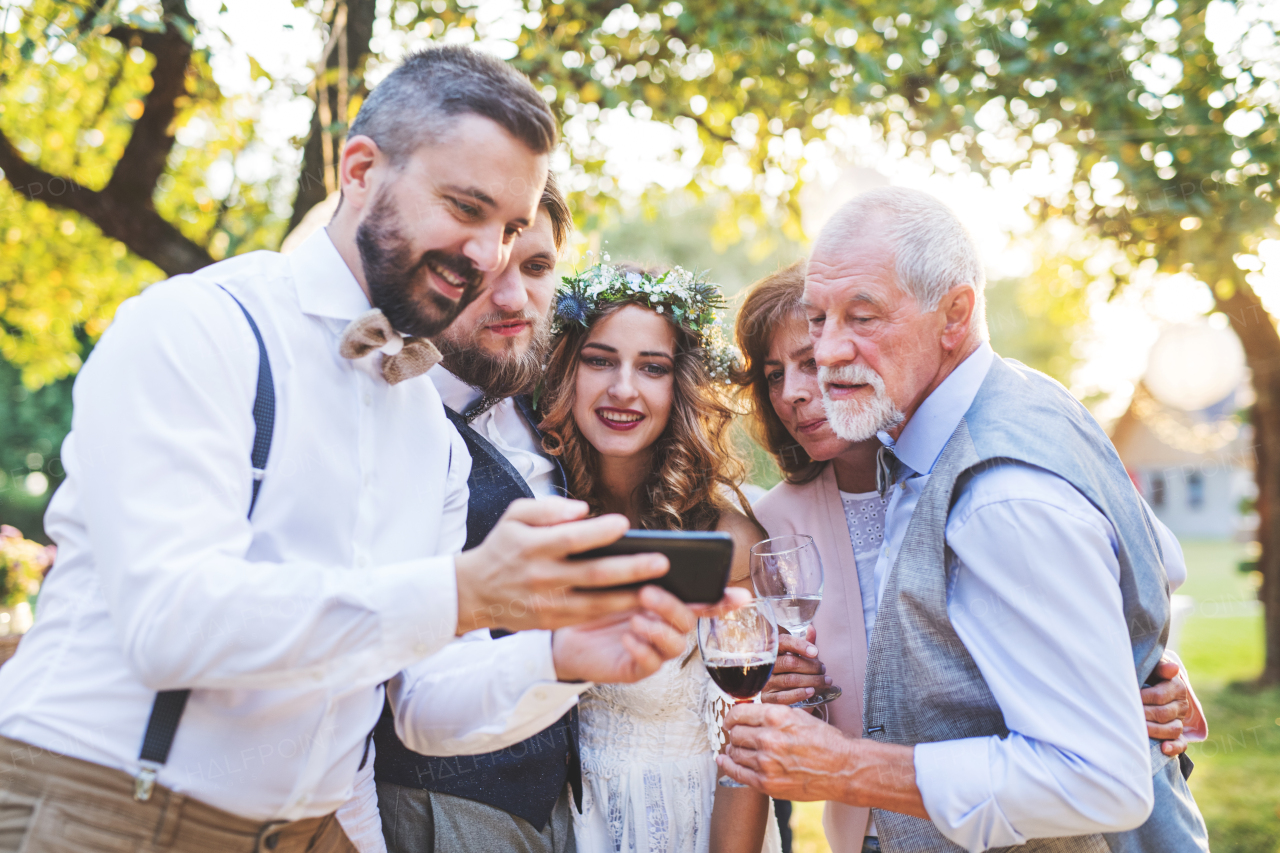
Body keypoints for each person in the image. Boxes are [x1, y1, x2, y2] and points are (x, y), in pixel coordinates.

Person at [0, 47, 714, 853]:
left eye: (512, 228)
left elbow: (422, 702)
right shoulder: (196, 326)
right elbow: (172, 622)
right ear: (361, 168)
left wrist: (561, 658)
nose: (489, 257)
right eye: (466, 207)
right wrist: (463, 589)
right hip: (103, 810)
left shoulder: (425, 430)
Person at [720, 191, 1210, 853]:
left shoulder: (1001, 496)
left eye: (861, 317)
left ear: (955, 314)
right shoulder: (1003, 406)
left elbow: (1101, 778)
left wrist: (845, 766)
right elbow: (1151, 562)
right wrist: (1117, 659)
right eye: (818, 320)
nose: (830, 351)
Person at [368, 174, 584, 853]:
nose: (515, 297)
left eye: (538, 266)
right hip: (438, 800)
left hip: (567, 806)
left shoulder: (558, 403)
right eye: (485, 270)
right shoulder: (385, 411)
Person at [536, 262, 779, 853]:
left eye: (652, 367)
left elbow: (744, 749)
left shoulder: (730, 542)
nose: (624, 388)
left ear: (681, 388)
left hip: (695, 823)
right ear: (567, 370)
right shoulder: (540, 513)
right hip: (569, 829)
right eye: (599, 360)